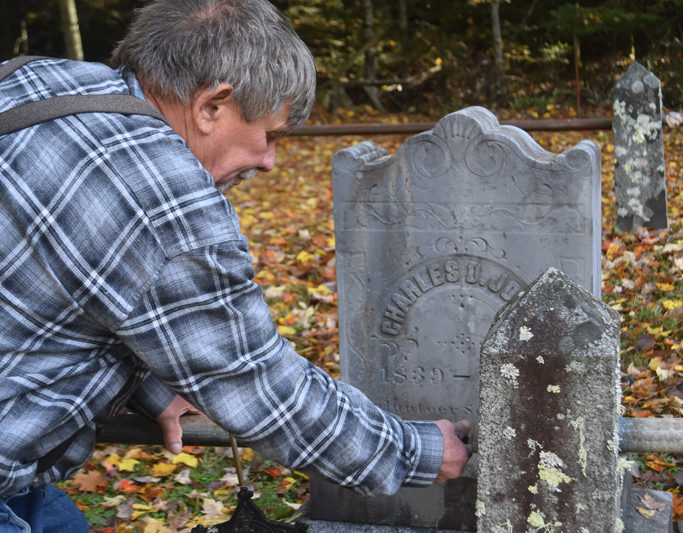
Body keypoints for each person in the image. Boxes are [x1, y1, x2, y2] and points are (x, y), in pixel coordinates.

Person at [0, 0, 472, 530]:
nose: (270, 161)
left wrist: (149, 383)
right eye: (269, 135)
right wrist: (418, 451)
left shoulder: (36, 80)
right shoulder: (166, 204)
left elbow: (50, 280)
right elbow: (258, 383)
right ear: (212, 106)